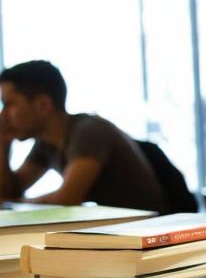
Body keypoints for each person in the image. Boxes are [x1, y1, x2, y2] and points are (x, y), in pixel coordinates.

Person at [0, 60, 164, 211]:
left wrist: (16, 203)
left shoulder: (88, 132)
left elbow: (66, 200)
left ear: (42, 105)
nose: (3, 115)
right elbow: (8, 192)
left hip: (145, 232)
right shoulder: (46, 144)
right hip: (111, 232)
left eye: (9, 104)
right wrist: (3, 145)